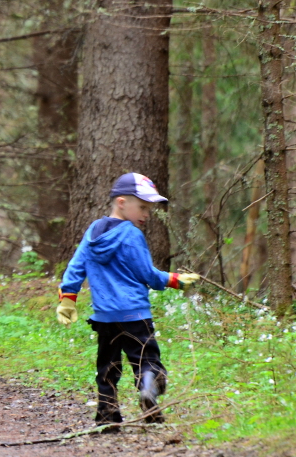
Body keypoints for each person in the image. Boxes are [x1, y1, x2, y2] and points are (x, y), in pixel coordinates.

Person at [57, 173, 200, 427]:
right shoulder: (132, 235)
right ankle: (148, 392)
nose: (146, 214)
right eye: (142, 207)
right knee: (147, 360)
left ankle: (107, 417)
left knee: (108, 369)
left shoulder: (92, 232)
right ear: (121, 202)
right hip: (135, 315)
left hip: (104, 318)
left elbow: (76, 267)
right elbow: (147, 274)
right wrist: (174, 279)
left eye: (149, 209)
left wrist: (68, 299)